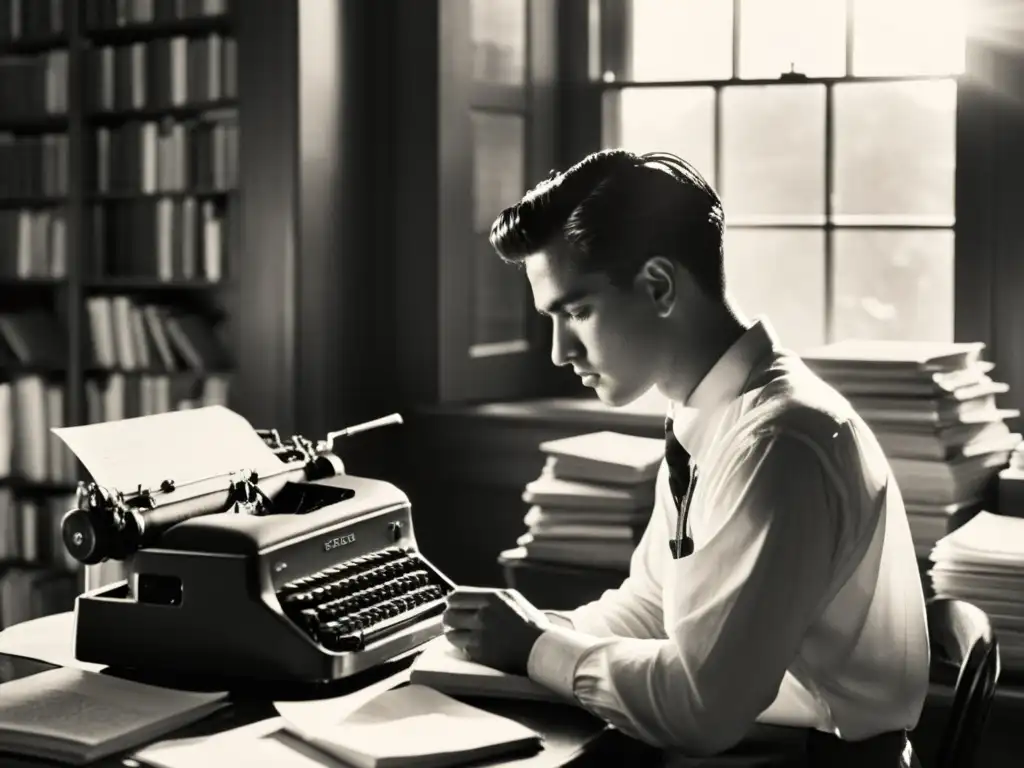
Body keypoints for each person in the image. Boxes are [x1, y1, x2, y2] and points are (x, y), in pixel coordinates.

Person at [441, 149, 929, 763]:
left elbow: (703, 709)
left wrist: (537, 648)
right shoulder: (708, 414)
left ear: (660, 286)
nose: (560, 353)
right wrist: (534, 632)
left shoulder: (777, 444)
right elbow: (652, 605)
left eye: (578, 312)